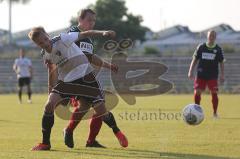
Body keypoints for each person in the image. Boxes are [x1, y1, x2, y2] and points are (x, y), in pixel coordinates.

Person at [28, 26, 124, 151]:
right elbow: (52, 72)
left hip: (86, 78)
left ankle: (117, 131)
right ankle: (45, 143)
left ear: (47, 34)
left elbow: (86, 33)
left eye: (45, 39)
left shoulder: (62, 39)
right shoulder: (45, 54)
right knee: (48, 105)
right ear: (37, 44)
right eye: (41, 43)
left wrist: (103, 32)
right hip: (67, 82)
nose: (45, 43)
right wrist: (50, 93)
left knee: (101, 111)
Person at [61, 8, 128, 148]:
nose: (92, 23)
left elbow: (90, 57)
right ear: (80, 19)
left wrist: (109, 66)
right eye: (88, 20)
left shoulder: (88, 40)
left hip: (86, 76)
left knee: (86, 106)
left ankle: (83, 137)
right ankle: (115, 132)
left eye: (93, 21)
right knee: (98, 107)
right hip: (74, 77)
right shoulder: (73, 32)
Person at [188, 30, 225, 118]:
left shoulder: (218, 49)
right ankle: (197, 112)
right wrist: (190, 71)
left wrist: (222, 75)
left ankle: (215, 113)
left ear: (215, 37)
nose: (211, 37)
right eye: (210, 35)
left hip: (213, 75)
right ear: (207, 36)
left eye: (213, 36)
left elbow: (222, 62)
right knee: (197, 92)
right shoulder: (201, 47)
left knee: (214, 92)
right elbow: (194, 59)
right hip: (201, 74)